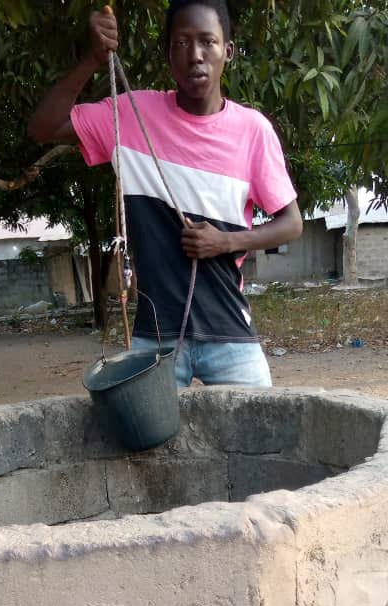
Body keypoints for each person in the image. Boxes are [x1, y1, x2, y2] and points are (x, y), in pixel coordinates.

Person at [28, 0, 303, 389]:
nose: (195, 55)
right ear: (167, 53)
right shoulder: (133, 114)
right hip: (154, 341)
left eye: (208, 41)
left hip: (229, 335)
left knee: (255, 443)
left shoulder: (252, 130)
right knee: (147, 449)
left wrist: (226, 241)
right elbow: (44, 127)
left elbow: (291, 223)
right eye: (182, 43)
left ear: (228, 50)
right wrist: (92, 59)